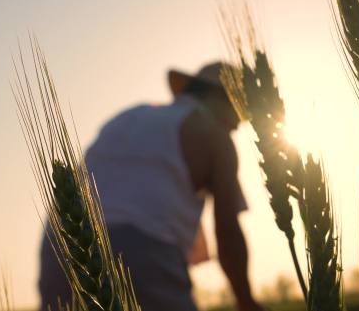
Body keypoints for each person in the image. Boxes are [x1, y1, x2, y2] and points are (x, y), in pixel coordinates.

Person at [38, 62, 264, 311]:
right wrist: (246, 301)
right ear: (218, 97)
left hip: (63, 248)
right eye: (238, 111)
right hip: (143, 251)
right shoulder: (215, 136)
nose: (238, 124)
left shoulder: (130, 116)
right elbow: (228, 231)